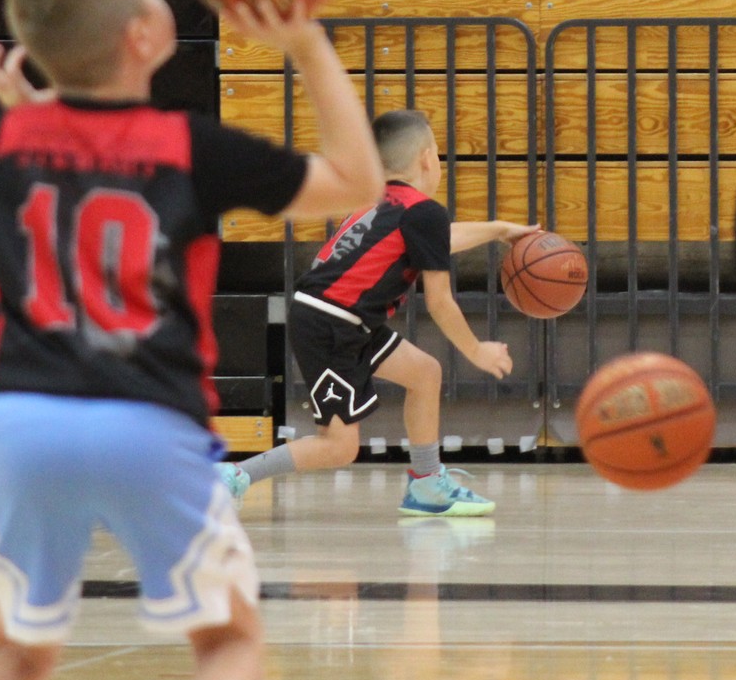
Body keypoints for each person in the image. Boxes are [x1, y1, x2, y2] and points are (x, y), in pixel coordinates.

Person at [0, 0, 381, 680]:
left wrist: (37, 109)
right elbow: (357, 179)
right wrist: (309, 44)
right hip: (146, 417)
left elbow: (72, 143)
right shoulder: (192, 146)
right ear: (144, 35)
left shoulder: (8, 138)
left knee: (13, 654)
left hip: (20, 419)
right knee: (227, 643)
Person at [222, 109, 531, 518]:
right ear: (427, 159)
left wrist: (498, 229)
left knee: (425, 373)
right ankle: (231, 477)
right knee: (338, 446)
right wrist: (477, 351)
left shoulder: (382, 201)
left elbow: (438, 238)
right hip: (331, 323)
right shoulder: (422, 211)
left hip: (340, 318)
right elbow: (439, 301)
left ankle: (426, 484)